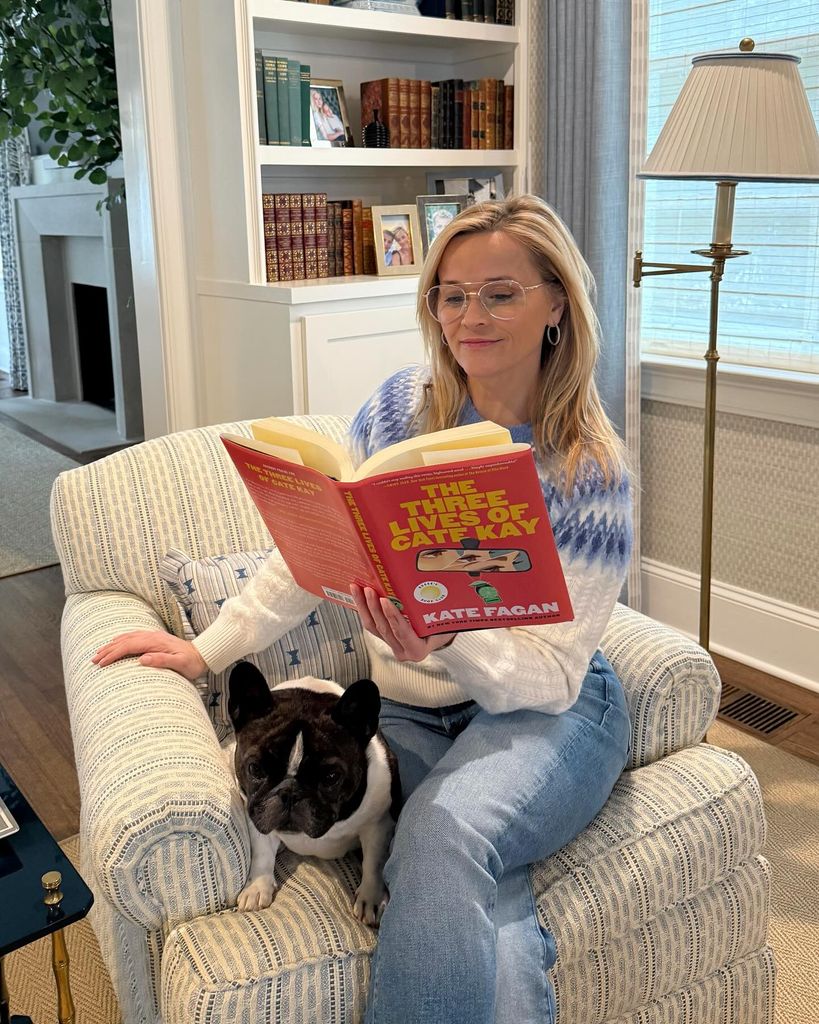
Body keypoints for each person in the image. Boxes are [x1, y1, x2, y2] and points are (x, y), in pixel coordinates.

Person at [92, 194, 633, 1024]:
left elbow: (550, 675)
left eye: (500, 292)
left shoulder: (591, 472)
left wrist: (446, 636)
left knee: (442, 837)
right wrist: (203, 651)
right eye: (450, 294)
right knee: (479, 881)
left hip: (548, 709)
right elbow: (310, 561)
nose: (468, 316)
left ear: (557, 301)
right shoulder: (397, 410)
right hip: (412, 714)